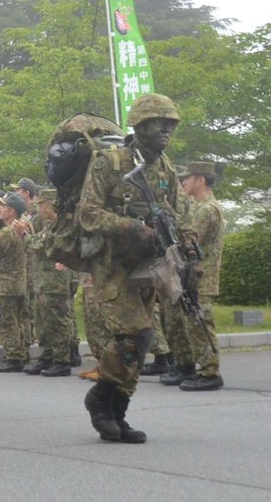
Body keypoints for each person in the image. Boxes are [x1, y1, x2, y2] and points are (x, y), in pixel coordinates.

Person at [78, 92, 196, 443]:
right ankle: (100, 399)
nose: (167, 132)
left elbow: (181, 212)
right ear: (141, 125)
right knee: (137, 335)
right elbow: (88, 214)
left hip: (150, 265)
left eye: (171, 126)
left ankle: (118, 412)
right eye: (161, 124)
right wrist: (130, 226)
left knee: (140, 342)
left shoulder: (166, 167)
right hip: (113, 265)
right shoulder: (109, 163)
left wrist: (190, 251)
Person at [175, 160, 225, 390]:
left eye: (189, 177)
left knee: (200, 321)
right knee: (193, 322)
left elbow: (189, 241)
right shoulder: (197, 207)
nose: (184, 181)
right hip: (193, 276)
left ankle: (210, 372)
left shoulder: (207, 209)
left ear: (201, 180)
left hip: (201, 276)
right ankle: (202, 368)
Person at [25, 189, 77, 377]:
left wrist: (25, 235)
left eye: (42, 204)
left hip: (55, 282)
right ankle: (46, 356)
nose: (39, 208)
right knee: (42, 321)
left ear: (52, 204)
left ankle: (62, 360)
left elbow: (42, 245)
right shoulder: (50, 225)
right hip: (42, 282)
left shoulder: (63, 226)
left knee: (58, 321)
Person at [0, 193, 31, 372]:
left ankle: (13, 357)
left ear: (11, 211)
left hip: (5, 283)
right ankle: (23, 351)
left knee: (6, 321)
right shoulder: (25, 227)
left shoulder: (6, 232)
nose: (0, 209)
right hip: (20, 281)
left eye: (4, 206)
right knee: (20, 319)